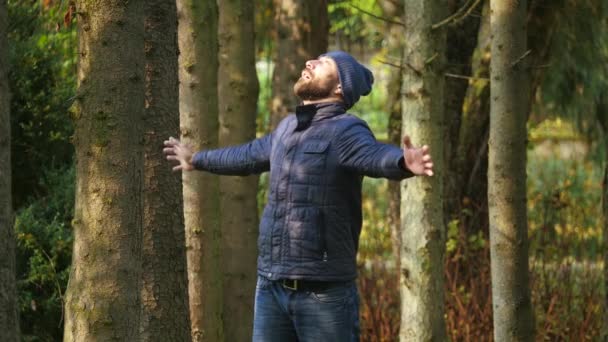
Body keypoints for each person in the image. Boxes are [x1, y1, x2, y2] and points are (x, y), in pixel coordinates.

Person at [163, 51, 434, 342]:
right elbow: (247, 156)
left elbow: (374, 155)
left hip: (323, 294)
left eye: (323, 63)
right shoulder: (286, 128)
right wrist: (197, 160)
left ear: (341, 86)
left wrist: (402, 163)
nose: (309, 63)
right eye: (313, 60)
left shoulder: (347, 130)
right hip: (270, 286)